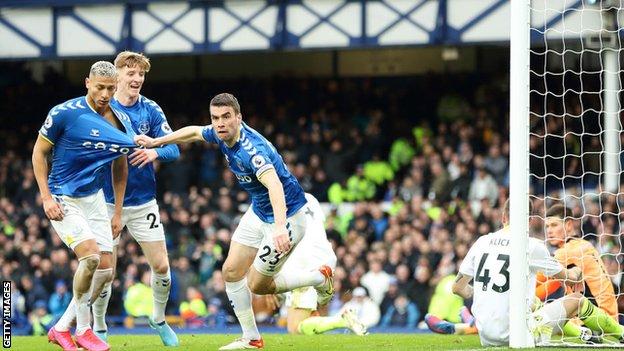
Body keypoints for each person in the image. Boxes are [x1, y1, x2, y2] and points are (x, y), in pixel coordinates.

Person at [135, 93, 334, 350]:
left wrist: (279, 228)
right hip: (259, 211)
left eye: (226, 117)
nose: (220, 123)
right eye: (215, 118)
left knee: (258, 285)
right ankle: (252, 338)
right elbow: (194, 133)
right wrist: (156, 142)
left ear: (238, 118)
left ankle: (319, 278)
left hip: (287, 216)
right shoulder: (220, 133)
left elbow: (274, 185)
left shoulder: (252, 150)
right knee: (230, 271)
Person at [32, 61, 135, 351]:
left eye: (110, 89)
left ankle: (61, 328)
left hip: (95, 200)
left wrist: (117, 211)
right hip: (63, 197)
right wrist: (46, 197)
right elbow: (39, 153)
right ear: (87, 82)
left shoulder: (118, 121)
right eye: (99, 87)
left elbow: (121, 167)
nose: (104, 94)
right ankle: (84, 329)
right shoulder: (65, 113)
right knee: (90, 258)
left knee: (106, 271)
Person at [89, 51, 180, 346]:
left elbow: (174, 149)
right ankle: (100, 327)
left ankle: (158, 318)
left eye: (141, 74)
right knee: (106, 271)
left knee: (162, 267)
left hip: (143, 202)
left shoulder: (151, 110)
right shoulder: (102, 109)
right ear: (117, 76)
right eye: (131, 73)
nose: (137, 79)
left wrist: (154, 150)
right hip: (106, 202)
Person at [451, 200, 623, 346]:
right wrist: (579, 270)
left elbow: (457, 288)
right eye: (548, 225)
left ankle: (584, 334)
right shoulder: (532, 246)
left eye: (554, 225)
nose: (549, 230)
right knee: (576, 300)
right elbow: (570, 277)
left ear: (503, 217)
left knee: (532, 300)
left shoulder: (481, 242)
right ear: (530, 220)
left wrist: (486, 294)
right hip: (517, 336)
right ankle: (618, 331)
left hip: (486, 338)